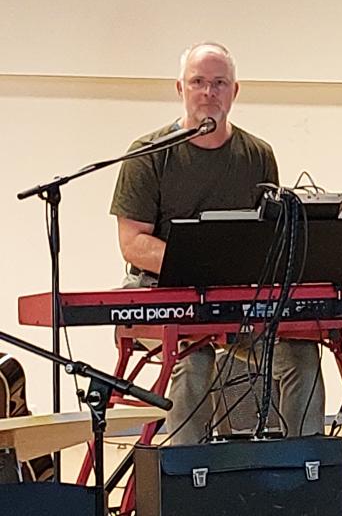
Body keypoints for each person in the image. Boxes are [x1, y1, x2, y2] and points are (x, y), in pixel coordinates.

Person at [110, 41, 325, 444]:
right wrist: (200, 264)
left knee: (301, 356)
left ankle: (304, 467)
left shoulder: (258, 155)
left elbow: (268, 236)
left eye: (219, 83)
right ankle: (188, 475)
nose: (209, 92)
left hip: (234, 304)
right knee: (192, 361)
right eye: (198, 82)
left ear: (234, 91)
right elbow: (133, 243)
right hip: (161, 299)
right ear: (180, 88)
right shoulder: (148, 154)